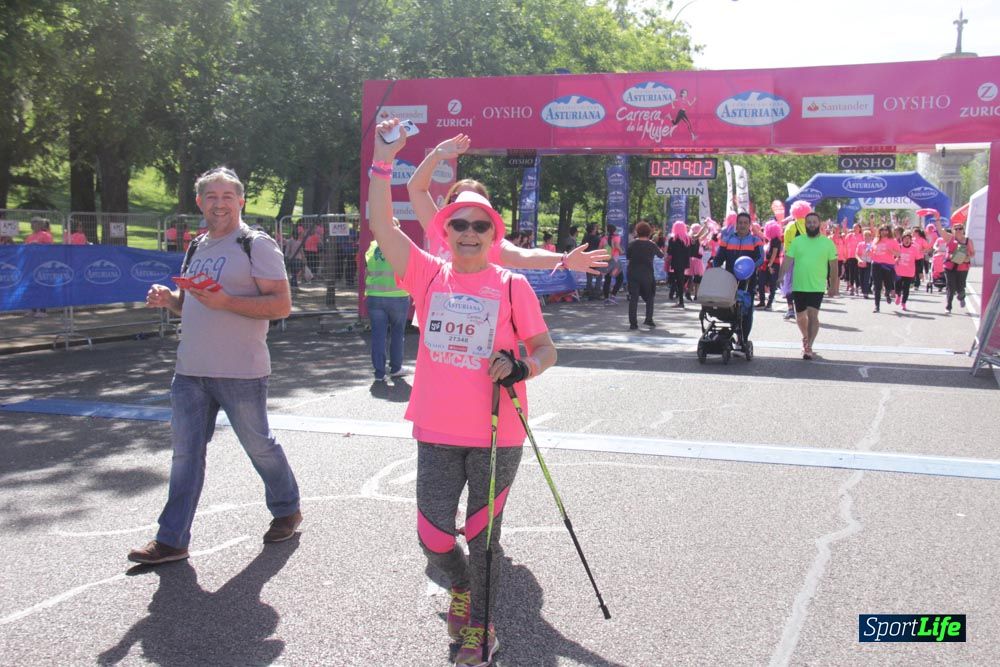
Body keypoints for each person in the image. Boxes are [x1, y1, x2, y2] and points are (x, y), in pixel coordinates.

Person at [369, 119, 557, 666]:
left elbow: (546, 350)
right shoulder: (426, 275)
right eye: (460, 225)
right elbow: (382, 220)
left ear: (492, 234)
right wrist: (385, 159)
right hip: (436, 429)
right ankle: (460, 588)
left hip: (500, 433)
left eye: (480, 226)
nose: (470, 232)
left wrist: (521, 365)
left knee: (483, 536)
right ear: (445, 231)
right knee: (433, 536)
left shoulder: (511, 284)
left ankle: (479, 627)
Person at [128, 167, 301, 566]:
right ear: (199, 202)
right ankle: (172, 540)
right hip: (190, 372)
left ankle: (287, 508)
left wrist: (227, 302)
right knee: (186, 456)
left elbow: (281, 306)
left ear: (240, 201)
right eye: (211, 196)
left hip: (241, 371)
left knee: (259, 446)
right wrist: (168, 299)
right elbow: (191, 303)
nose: (219, 203)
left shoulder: (255, 244)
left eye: (227, 196)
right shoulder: (197, 246)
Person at [407, 133, 607, 275]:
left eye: (476, 205)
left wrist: (563, 260)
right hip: (436, 319)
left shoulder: (489, 242)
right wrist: (435, 155)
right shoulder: (438, 228)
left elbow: (523, 256)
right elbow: (416, 188)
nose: (466, 208)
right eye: (457, 199)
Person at [779, 212, 839, 360]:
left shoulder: (827, 243)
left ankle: (809, 345)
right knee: (800, 317)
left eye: (814, 222)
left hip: (817, 286)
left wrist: (833, 285)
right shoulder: (797, 241)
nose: (812, 224)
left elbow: (834, 266)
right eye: (809, 222)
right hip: (799, 285)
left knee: (813, 315)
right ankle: (805, 337)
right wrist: (780, 276)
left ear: (819, 224)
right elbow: (787, 260)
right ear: (805, 225)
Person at [365, 218, 412, 381]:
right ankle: (396, 367)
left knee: (378, 335)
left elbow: (367, 272)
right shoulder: (403, 246)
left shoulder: (372, 247)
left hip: (375, 297)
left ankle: (379, 373)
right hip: (398, 296)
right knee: (397, 333)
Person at [713, 212, 763, 340]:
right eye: (740, 223)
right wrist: (715, 269)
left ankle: (743, 338)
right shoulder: (727, 239)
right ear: (736, 224)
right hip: (730, 280)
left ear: (749, 225)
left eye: (745, 223)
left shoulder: (755, 241)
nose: (742, 225)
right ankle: (731, 332)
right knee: (730, 309)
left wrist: (750, 269)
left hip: (748, 281)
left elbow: (761, 258)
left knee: (746, 311)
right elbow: (718, 258)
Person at [626, 221, 663, 330]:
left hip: (633, 273)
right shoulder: (652, 244)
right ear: (649, 232)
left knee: (634, 298)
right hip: (647, 274)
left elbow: (628, 256)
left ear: (637, 232)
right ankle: (648, 319)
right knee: (650, 297)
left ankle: (633, 323)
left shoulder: (632, 244)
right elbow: (661, 255)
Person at [944, 222, 975, 313]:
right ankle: (948, 306)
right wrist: (951, 256)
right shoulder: (950, 239)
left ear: (963, 230)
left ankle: (961, 297)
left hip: (962, 267)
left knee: (960, 288)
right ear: (953, 230)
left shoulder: (968, 241)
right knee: (950, 286)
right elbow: (947, 252)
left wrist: (967, 257)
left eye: (960, 228)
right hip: (950, 267)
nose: (958, 230)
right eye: (956, 229)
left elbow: (972, 253)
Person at [870, 225, 899, 313]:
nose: (883, 232)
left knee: (889, 285)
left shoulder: (893, 241)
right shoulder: (876, 240)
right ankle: (877, 306)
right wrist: (869, 252)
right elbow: (872, 251)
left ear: (888, 231)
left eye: (886, 230)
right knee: (877, 286)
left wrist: (891, 251)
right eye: (882, 230)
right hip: (876, 265)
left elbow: (898, 254)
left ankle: (887, 294)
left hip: (888, 265)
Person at [756, 221, 782, 309]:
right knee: (761, 282)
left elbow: (774, 253)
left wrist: (770, 265)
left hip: (773, 264)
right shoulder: (770, 240)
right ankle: (762, 301)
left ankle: (769, 303)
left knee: (772, 284)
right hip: (767, 263)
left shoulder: (776, 240)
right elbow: (760, 233)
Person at [666, 221, 691, 308]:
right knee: (680, 281)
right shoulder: (687, 239)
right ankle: (681, 300)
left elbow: (669, 252)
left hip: (676, 262)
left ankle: (681, 301)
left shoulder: (673, 239)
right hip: (684, 262)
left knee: (678, 281)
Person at [894, 230, 921, 311]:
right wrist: (895, 259)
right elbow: (892, 257)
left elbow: (918, 261)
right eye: (905, 238)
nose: (906, 240)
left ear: (911, 239)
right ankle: (898, 295)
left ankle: (903, 303)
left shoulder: (914, 248)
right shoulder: (898, 247)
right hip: (898, 271)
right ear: (902, 239)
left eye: (908, 238)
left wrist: (919, 272)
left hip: (909, 272)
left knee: (906, 288)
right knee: (897, 287)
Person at [600, 223, 624, 304]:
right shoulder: (617, 237)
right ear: (614, 230)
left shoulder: (603, 238)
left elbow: (599, 249)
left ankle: (606, 298)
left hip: (606, 261)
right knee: (620, 278)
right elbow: (617, 245)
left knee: (607, 279)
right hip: (615, 261)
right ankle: (613, 296)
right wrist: (621, 251)